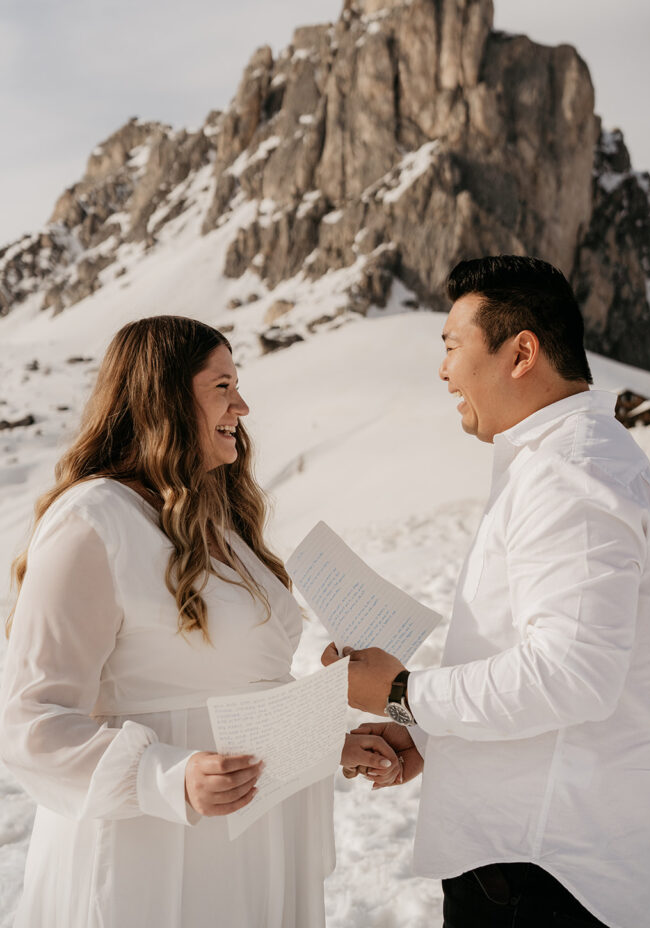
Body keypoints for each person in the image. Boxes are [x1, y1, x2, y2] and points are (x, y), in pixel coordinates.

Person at [0, 315, 399, 928]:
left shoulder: (217, 525)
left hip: (251, 847)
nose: (242, 404)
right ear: (162, 399)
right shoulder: (94, 521)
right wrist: (168, 777)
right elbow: (29, 720)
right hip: (149, 855)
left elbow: (236, 699)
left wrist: (327, 743)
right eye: (222, 386)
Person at [323, 256, 650, 928]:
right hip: (542, 863)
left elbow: (571, 676)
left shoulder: (570, 476)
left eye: (452, 347)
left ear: (520, 353)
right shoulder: (567, 462)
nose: (442, 372)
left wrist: (402, 692)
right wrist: (426, 733)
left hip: (540, 878)